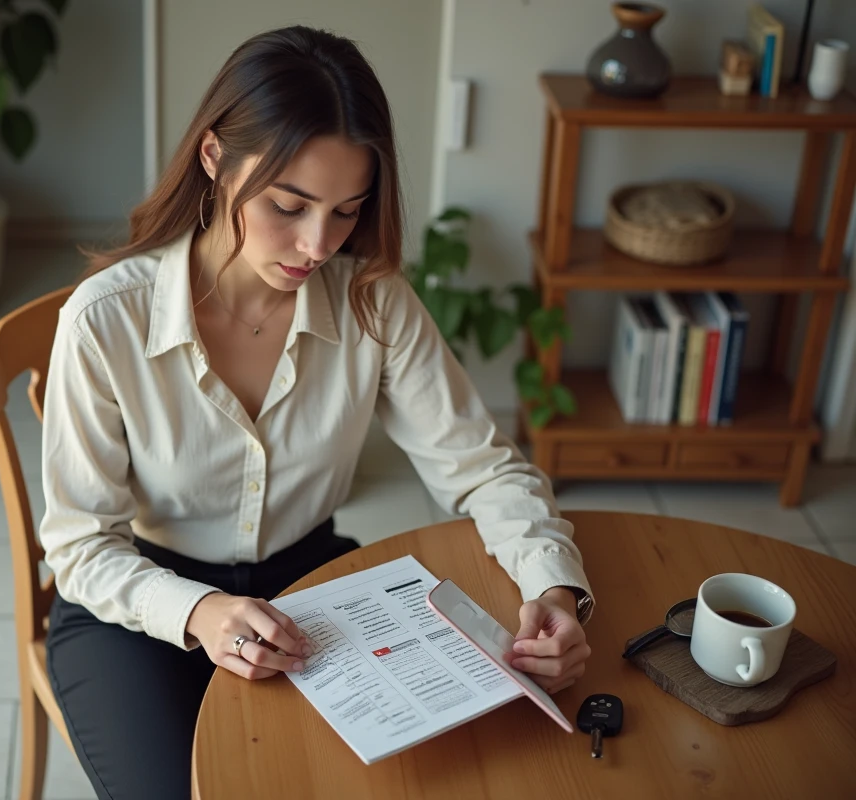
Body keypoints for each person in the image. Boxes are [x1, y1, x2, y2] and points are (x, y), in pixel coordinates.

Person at [39, 24, 595, 800]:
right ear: (214, 159)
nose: (315, 245)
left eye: (345, 211)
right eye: (288, 204)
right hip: (139, 604)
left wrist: (556, 591)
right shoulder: (105, 321)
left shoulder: (374, 304)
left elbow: (484, 471)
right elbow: (79, 548)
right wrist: (199, 613)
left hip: (314, 586)